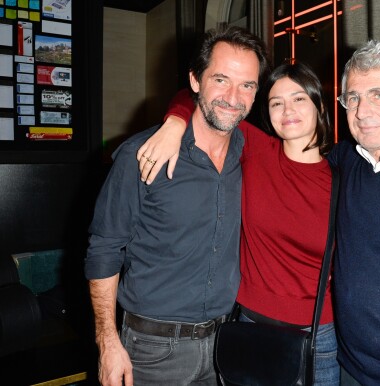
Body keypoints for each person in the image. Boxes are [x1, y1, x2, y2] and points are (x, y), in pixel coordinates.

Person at [138, 40, 380, 386]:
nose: (363, 111)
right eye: (354, 98)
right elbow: (214, 105)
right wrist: (175, 121)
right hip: (349, 367)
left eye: (379, 94)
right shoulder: (350, 162)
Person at [84, 25, 269, 386]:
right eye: (221, 80)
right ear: (195, 81)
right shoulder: (142, 156)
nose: (234, 96)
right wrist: (107, 342)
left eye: (247, 85)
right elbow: (104, 249)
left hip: (226, 346)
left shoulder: (251, 152)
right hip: (152, 351)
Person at [138, 62, 340, 385]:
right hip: (248, 327)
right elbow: (202, 99)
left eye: (299, 99)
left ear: (319, 104)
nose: (287, 109)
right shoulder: (255, 148)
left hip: (316, 336)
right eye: (276, 102)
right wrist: (175, 122)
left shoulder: (342, 181)